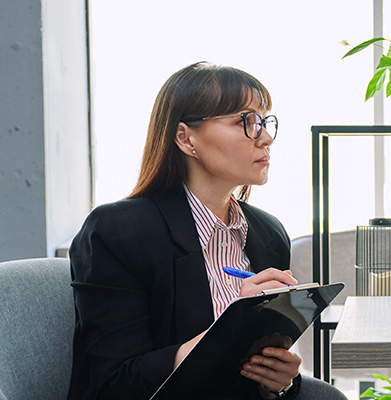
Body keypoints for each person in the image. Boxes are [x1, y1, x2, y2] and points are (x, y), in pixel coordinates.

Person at [68, 62, 347, 400]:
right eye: (245, 121)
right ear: (186, 138)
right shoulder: (118, 231)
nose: (266, 138)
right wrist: (231, 326)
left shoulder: (267, 232)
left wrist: (281, 380)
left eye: (264, 121)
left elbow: (254, 370)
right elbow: (115, 384)